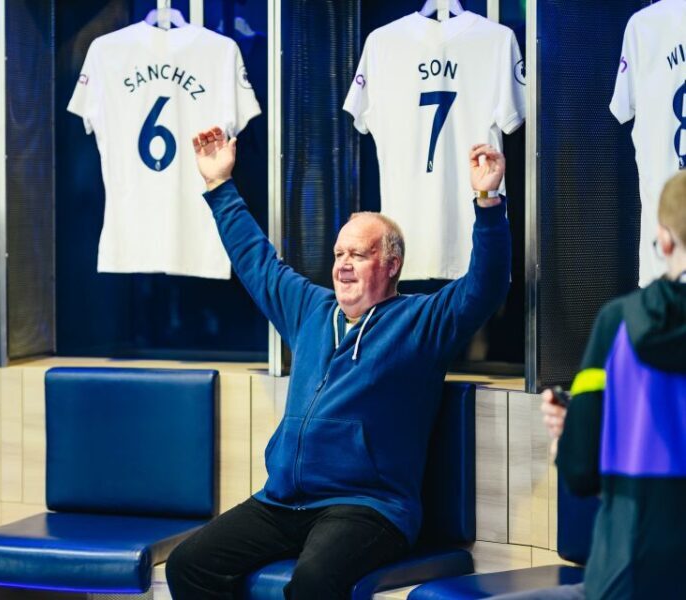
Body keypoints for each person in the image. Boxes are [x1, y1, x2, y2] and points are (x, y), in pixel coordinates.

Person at [165, 127, 512, 599]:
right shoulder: (310, 310)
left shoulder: (421, 322)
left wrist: (488, 200)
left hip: (368, 507)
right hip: (283, 501)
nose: (343, 264)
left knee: (312, 583)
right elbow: (256, 261)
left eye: (359, 254)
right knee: (189, 565)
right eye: (339, 254)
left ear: (391, 265)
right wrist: (219, 184)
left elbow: (485, 286)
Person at [538, 170, 686, 599]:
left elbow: (581, 471)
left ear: (664, 239)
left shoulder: (617, 323)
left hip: (631, 572)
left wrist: (572, 436)